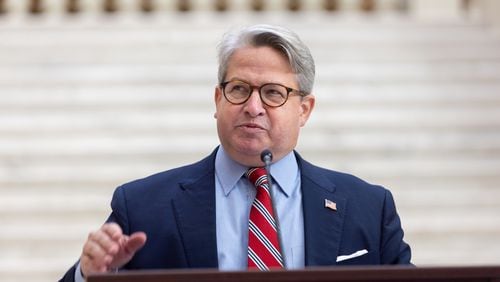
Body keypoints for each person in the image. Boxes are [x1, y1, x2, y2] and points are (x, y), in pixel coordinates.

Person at [60, 24, 411, 282]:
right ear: (218, 99)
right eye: (239, 89)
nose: (253, 107)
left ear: (304, 109)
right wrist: (89, 274)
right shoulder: (141, 206)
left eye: (273, 93)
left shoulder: (368, 207)